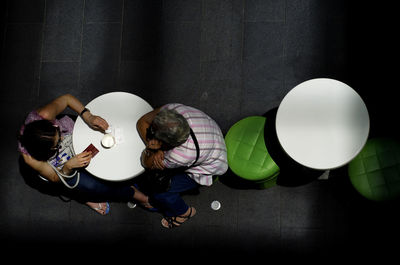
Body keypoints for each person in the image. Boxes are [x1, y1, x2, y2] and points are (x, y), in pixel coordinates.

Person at [18, 94, 151, 215]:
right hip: (61, 166)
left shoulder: (44, 115)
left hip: (70, 134)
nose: (62, 140)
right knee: (92, 186)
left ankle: (85, 195)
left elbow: (66, 99)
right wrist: (69, 166)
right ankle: (129, 195)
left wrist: (88, 116)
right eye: (57, 143)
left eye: (57, 131)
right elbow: (54, 177)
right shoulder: (29, 158)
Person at [137, 103, 228, 228]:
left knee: (161, 193)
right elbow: (142, 121)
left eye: (155, 136)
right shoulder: (173, 110)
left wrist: (150, 149)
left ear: (169, 145)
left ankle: (183, 213)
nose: (151, 135)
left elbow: (147, 163)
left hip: (209, 166)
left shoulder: (180, 155)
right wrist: (157, 147)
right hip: (210, 135)